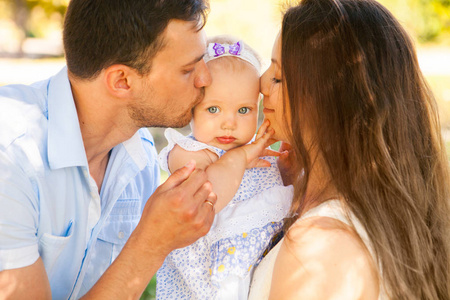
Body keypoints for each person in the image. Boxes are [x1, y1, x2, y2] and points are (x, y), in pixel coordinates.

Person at [0, 0, 219, 299]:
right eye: (188, 69)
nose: (206, 79)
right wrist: (151, 243)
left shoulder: (139, 160)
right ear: (122, 81)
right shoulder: (10, 157)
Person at [248, 0, 450, 299]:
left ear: (328, 100)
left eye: (279, 76)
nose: (262, 84)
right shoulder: (392, 212)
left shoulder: (321, 244)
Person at [156, 36, 293, 299]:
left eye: (243, 110)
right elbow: (207, 196)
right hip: (206, 277)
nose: (229, 123)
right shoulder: (188, 152)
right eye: (214, 109)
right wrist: (240, 159)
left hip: (253, 269)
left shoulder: (259, 151)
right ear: (192, 108)